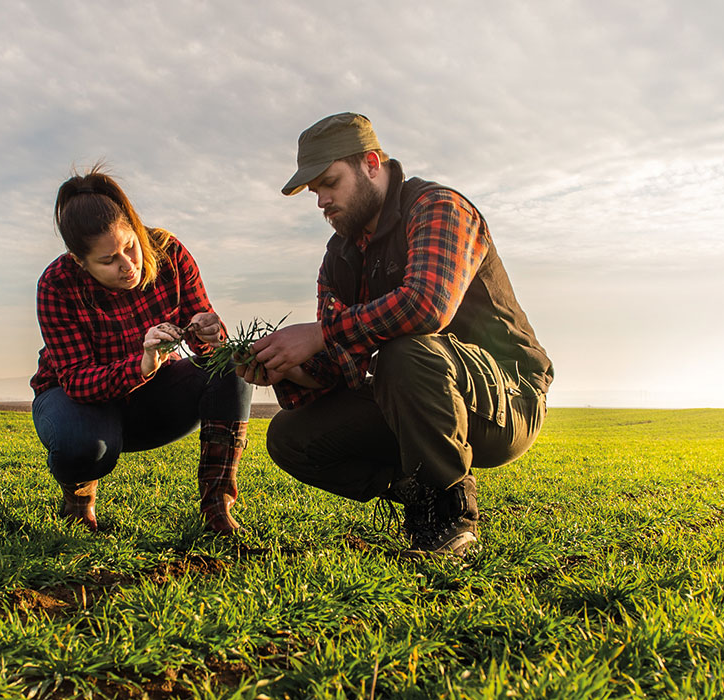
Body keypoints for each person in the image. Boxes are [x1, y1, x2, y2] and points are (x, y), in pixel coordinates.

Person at [239, 113, 553, 556]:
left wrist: (321, 334)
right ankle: (419, 490)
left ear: (371, 163)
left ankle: (449, 518)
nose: (321, 201)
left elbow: (426, 306)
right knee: (290, 436)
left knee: (405, 350)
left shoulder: (438, 208)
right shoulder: (339, 257)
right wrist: (285, 367)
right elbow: (336, 365)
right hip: (410, 396)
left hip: (506, 400)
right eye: (315, 192)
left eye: (329, 182)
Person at [31, 166, 253, 534]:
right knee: (83, 444)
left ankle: (217, 506)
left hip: (155, 399)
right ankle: (78, 500)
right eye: (108, 261)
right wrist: (143, 363)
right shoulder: (56, 285)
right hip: (79, 401)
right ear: (79, 262)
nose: (128, 265)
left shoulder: (168, 252)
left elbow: (204, 344)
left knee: (229, 365)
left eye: (129, 247)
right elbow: (76, 381)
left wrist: (209, 332)